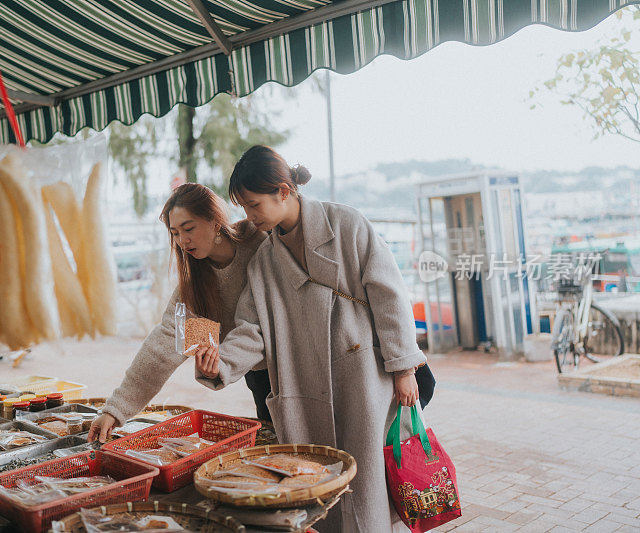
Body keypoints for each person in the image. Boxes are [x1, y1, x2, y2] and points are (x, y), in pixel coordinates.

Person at [193, 145, 427, 532]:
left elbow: (389, 295)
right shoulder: (248, 264)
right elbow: (252, 327)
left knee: (367, 483)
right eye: (244, 208)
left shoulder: (346, 224)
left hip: (363, 378)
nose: (249, 218)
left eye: (253, 205)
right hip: (303, 382)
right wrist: (222, 361)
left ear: (284, 191)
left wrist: (403, 367)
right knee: (319, 488)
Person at [87, 183, 271, 443]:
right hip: (260, 374)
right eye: (174, 233)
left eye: (189, 229)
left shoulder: (259, 239)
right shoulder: (196, 282)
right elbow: (162, 347)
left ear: (215, 221)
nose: (182, 241)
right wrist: (115, 411)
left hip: (298, 362)